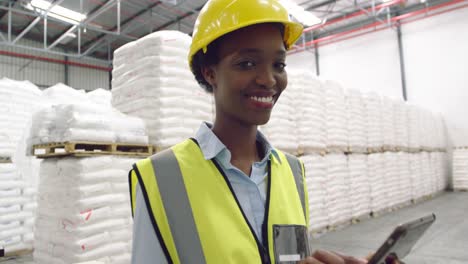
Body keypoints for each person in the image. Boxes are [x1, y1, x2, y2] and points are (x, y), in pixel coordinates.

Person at [129, 0, 399, 263]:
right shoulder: (161, 177)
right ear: (209, 72)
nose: (269, 80)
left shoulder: (292, 172)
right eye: (247, 63)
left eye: (278, 65)